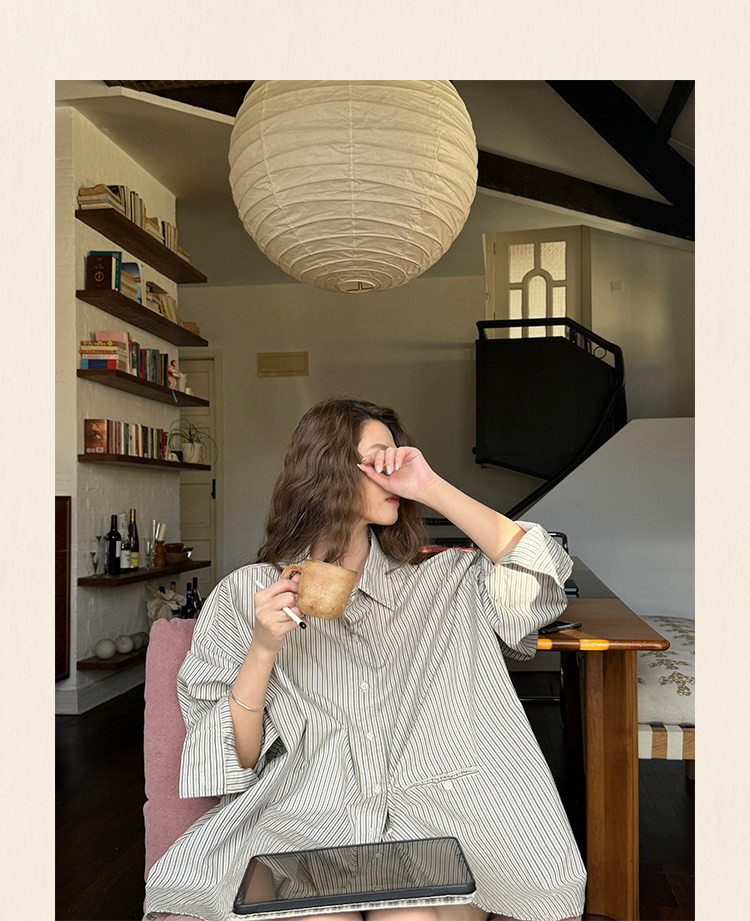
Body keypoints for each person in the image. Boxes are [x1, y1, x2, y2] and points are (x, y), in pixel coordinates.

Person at [144, 397, 586, 921]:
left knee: (411, 916)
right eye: (379, 458)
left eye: (399, 457)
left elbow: (540, 580)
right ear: (329, 471)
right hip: (304, 821)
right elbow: (230, 761)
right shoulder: (247, 594)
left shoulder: (444, 582)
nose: (394, 469)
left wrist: (430, 486)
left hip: (437, 823)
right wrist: (262, 650)